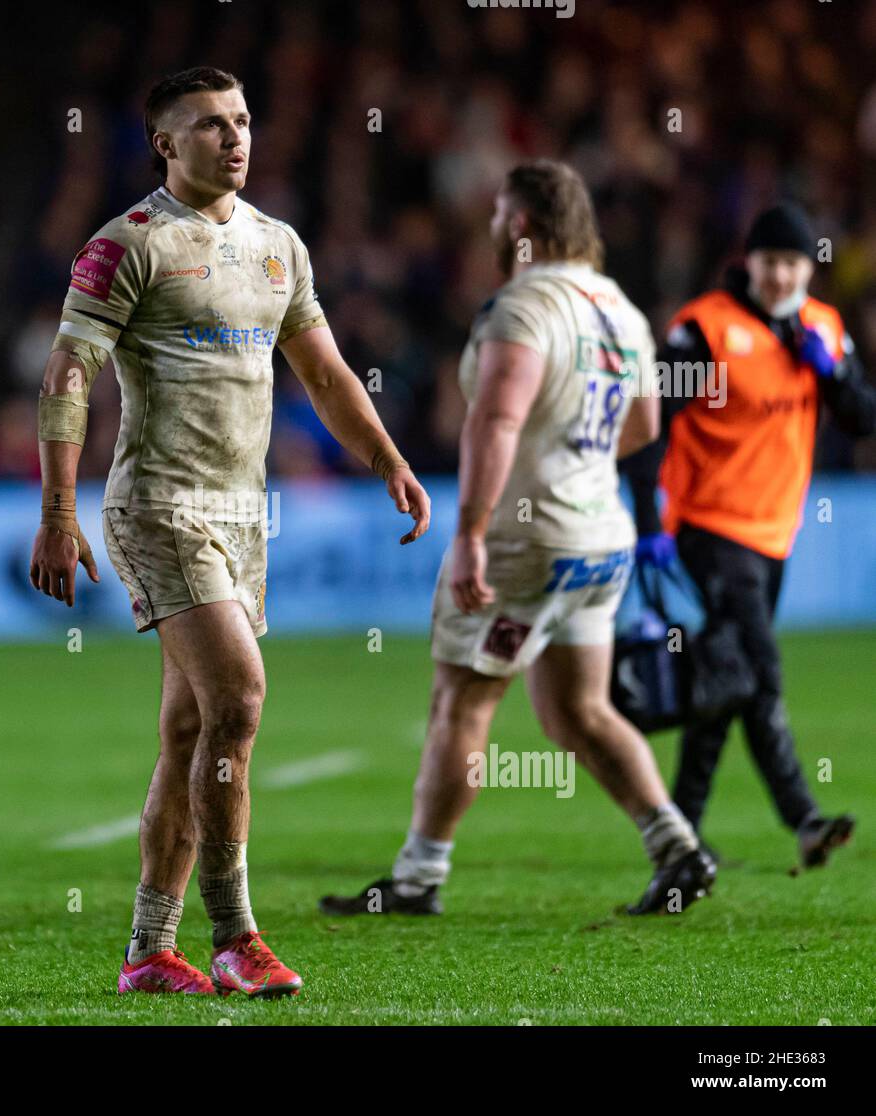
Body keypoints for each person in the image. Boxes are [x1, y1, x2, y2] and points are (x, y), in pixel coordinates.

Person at [29, 66, 430, 995]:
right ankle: (236, 936)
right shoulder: (126, 245)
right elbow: (66, 378)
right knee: (241, 699)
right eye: (210, 125)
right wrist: (57, 512)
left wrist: (389, 461)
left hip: (243, 519)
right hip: (158, 507)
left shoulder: (279, 247)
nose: (235, 138)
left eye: (243, 120)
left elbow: (327, 374)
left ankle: (148, 951)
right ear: (166, 145)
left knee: (188, 732)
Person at [320, 160, 715, 919]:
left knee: (462, 704)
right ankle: (679, 847)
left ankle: (417, 877)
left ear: (524, 223)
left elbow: (496, 419)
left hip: (528, 544)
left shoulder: (523, 305)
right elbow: (643, 430)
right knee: (580, 712)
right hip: (603, 539)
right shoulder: (620, 309)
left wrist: (469, 533)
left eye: (501, 213)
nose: (494, 226)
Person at [623, 203, 875, 867]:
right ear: (750, 262)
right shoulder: (704, 331)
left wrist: (836, 372)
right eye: (771, 263)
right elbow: (649, 423)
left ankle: (680, 832)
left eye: (794, 264)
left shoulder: (822, 327)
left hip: (774, 536)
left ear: (809, 269)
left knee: (724, 680)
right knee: (759, 672)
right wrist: (648, 521)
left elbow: (863, 419)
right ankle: (804, 817)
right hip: (710, 528)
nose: (782, 276)